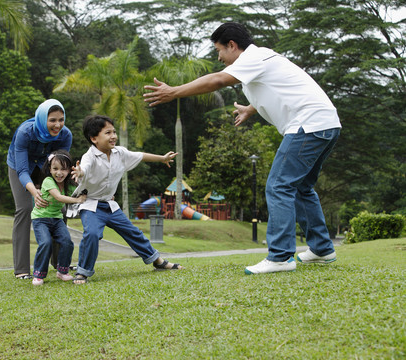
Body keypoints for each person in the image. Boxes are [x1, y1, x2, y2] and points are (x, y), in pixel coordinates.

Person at [143, 22, 341, 275]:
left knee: (279, 186)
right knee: (301, 187)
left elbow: (216, 80)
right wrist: (250, 108)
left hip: (308, 126)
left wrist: (175, 92)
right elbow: (279, 88)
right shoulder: (262, 59)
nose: (219, 57)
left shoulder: (252, 58)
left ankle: (280, 256)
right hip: (325, 125)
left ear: (232, 46)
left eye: (219, 50)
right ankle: (322, 248)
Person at [70, 115, 184, 284]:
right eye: (108, 133)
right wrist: (80, 173)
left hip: (110, 204)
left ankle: (157, 261)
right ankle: (82, 272)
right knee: (92, 234)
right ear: (94, 138)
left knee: (133, 232)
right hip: (91, 205)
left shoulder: (120, 153)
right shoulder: (89, 157)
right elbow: (84, 168)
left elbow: (140, 155)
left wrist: (162, 159)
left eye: (114, 132)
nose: (113, 136)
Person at [7, 99, 72, 279]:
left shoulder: (65, 135)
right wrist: (35, 192)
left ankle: (61, 264)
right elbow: (21, 170)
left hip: (48, 168)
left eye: (61, 119)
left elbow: (61, 166)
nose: (57, 125)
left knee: (58, 205)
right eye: (52, 120)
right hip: (20, 167)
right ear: (43, 119)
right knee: (25, 208)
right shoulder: (25, 133)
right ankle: (21, 269)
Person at [31, 150, 86, 286]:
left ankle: (62, 271)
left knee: (67, 242)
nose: (59, 172)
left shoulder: (68, 185)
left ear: (69, 170)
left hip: (56, 219)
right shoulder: (48, 181)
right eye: (55, 168)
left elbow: (84, 187)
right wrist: (77, 200)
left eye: (63, 169)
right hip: (40, 219)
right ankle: (38, 274)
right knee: (46, 243)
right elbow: (58, 197)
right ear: (49, 169)